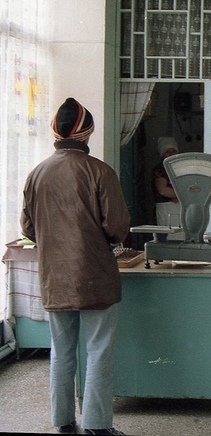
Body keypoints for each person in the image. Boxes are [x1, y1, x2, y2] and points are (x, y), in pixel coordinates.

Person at [20, 98, 131, 435]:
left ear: (55, 131)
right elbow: (117, 226)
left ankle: (63, 421)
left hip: (54, 277)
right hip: (95, 275)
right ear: (88, 132)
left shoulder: (37, 173)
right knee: (98, 351)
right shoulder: (99, 171)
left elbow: (28, 228)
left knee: (62, 350)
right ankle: (97, 425)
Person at [153, 136, 184, 239]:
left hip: (179, 208)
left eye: (173, 151)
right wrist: (181, 196)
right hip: (166, 209)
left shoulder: (179, 168)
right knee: (168, 238)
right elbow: (162, 190)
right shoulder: (160, 169)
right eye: (168, 151)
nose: (171, 153)